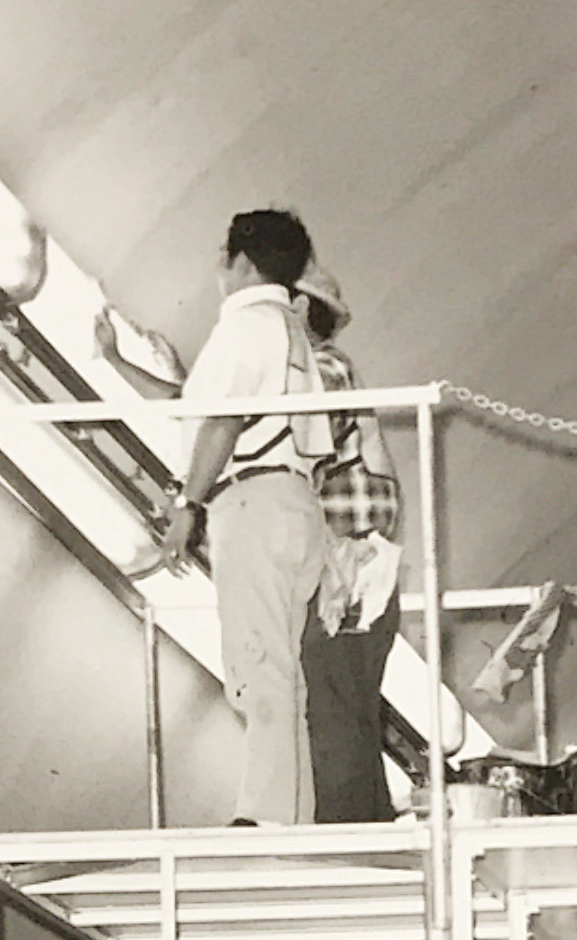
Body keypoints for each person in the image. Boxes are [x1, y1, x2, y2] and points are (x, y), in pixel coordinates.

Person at [141, 208, 334, 828]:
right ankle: (290, 817)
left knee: (258, 666)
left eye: (224, 258)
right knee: (282, 672)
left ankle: (264, 817)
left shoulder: (248, 324)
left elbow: (224, 419)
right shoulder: (289, 329)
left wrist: (186, 508)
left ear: (242, 262)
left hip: (250, 501)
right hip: (294, 502)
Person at [294, 267, 404, 824]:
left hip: (343, 555)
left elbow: (307, 450)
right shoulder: (342, 370)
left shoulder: (318, 371)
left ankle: (344, 830)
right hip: (367, 556)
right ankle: (369, 823)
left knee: (331, 703)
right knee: (356, 706)